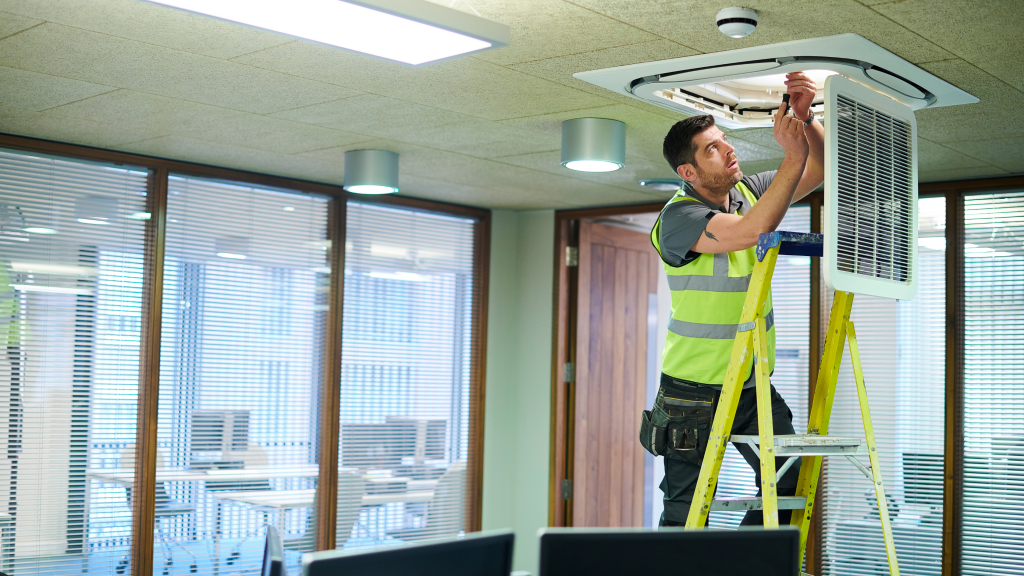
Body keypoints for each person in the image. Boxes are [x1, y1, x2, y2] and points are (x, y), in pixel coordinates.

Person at [641, 72, 825, 527]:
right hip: (693, 392)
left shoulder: (746, 194)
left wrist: (805, 118)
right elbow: (749, 234)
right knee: (687, 513)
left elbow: (821, 170)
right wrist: (793, 153)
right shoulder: (678, 218)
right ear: (688, 172)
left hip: (749, 384)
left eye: (724, 140)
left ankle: (744, 565)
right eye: (712, 148)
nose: (728, 149)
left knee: (791, 480)